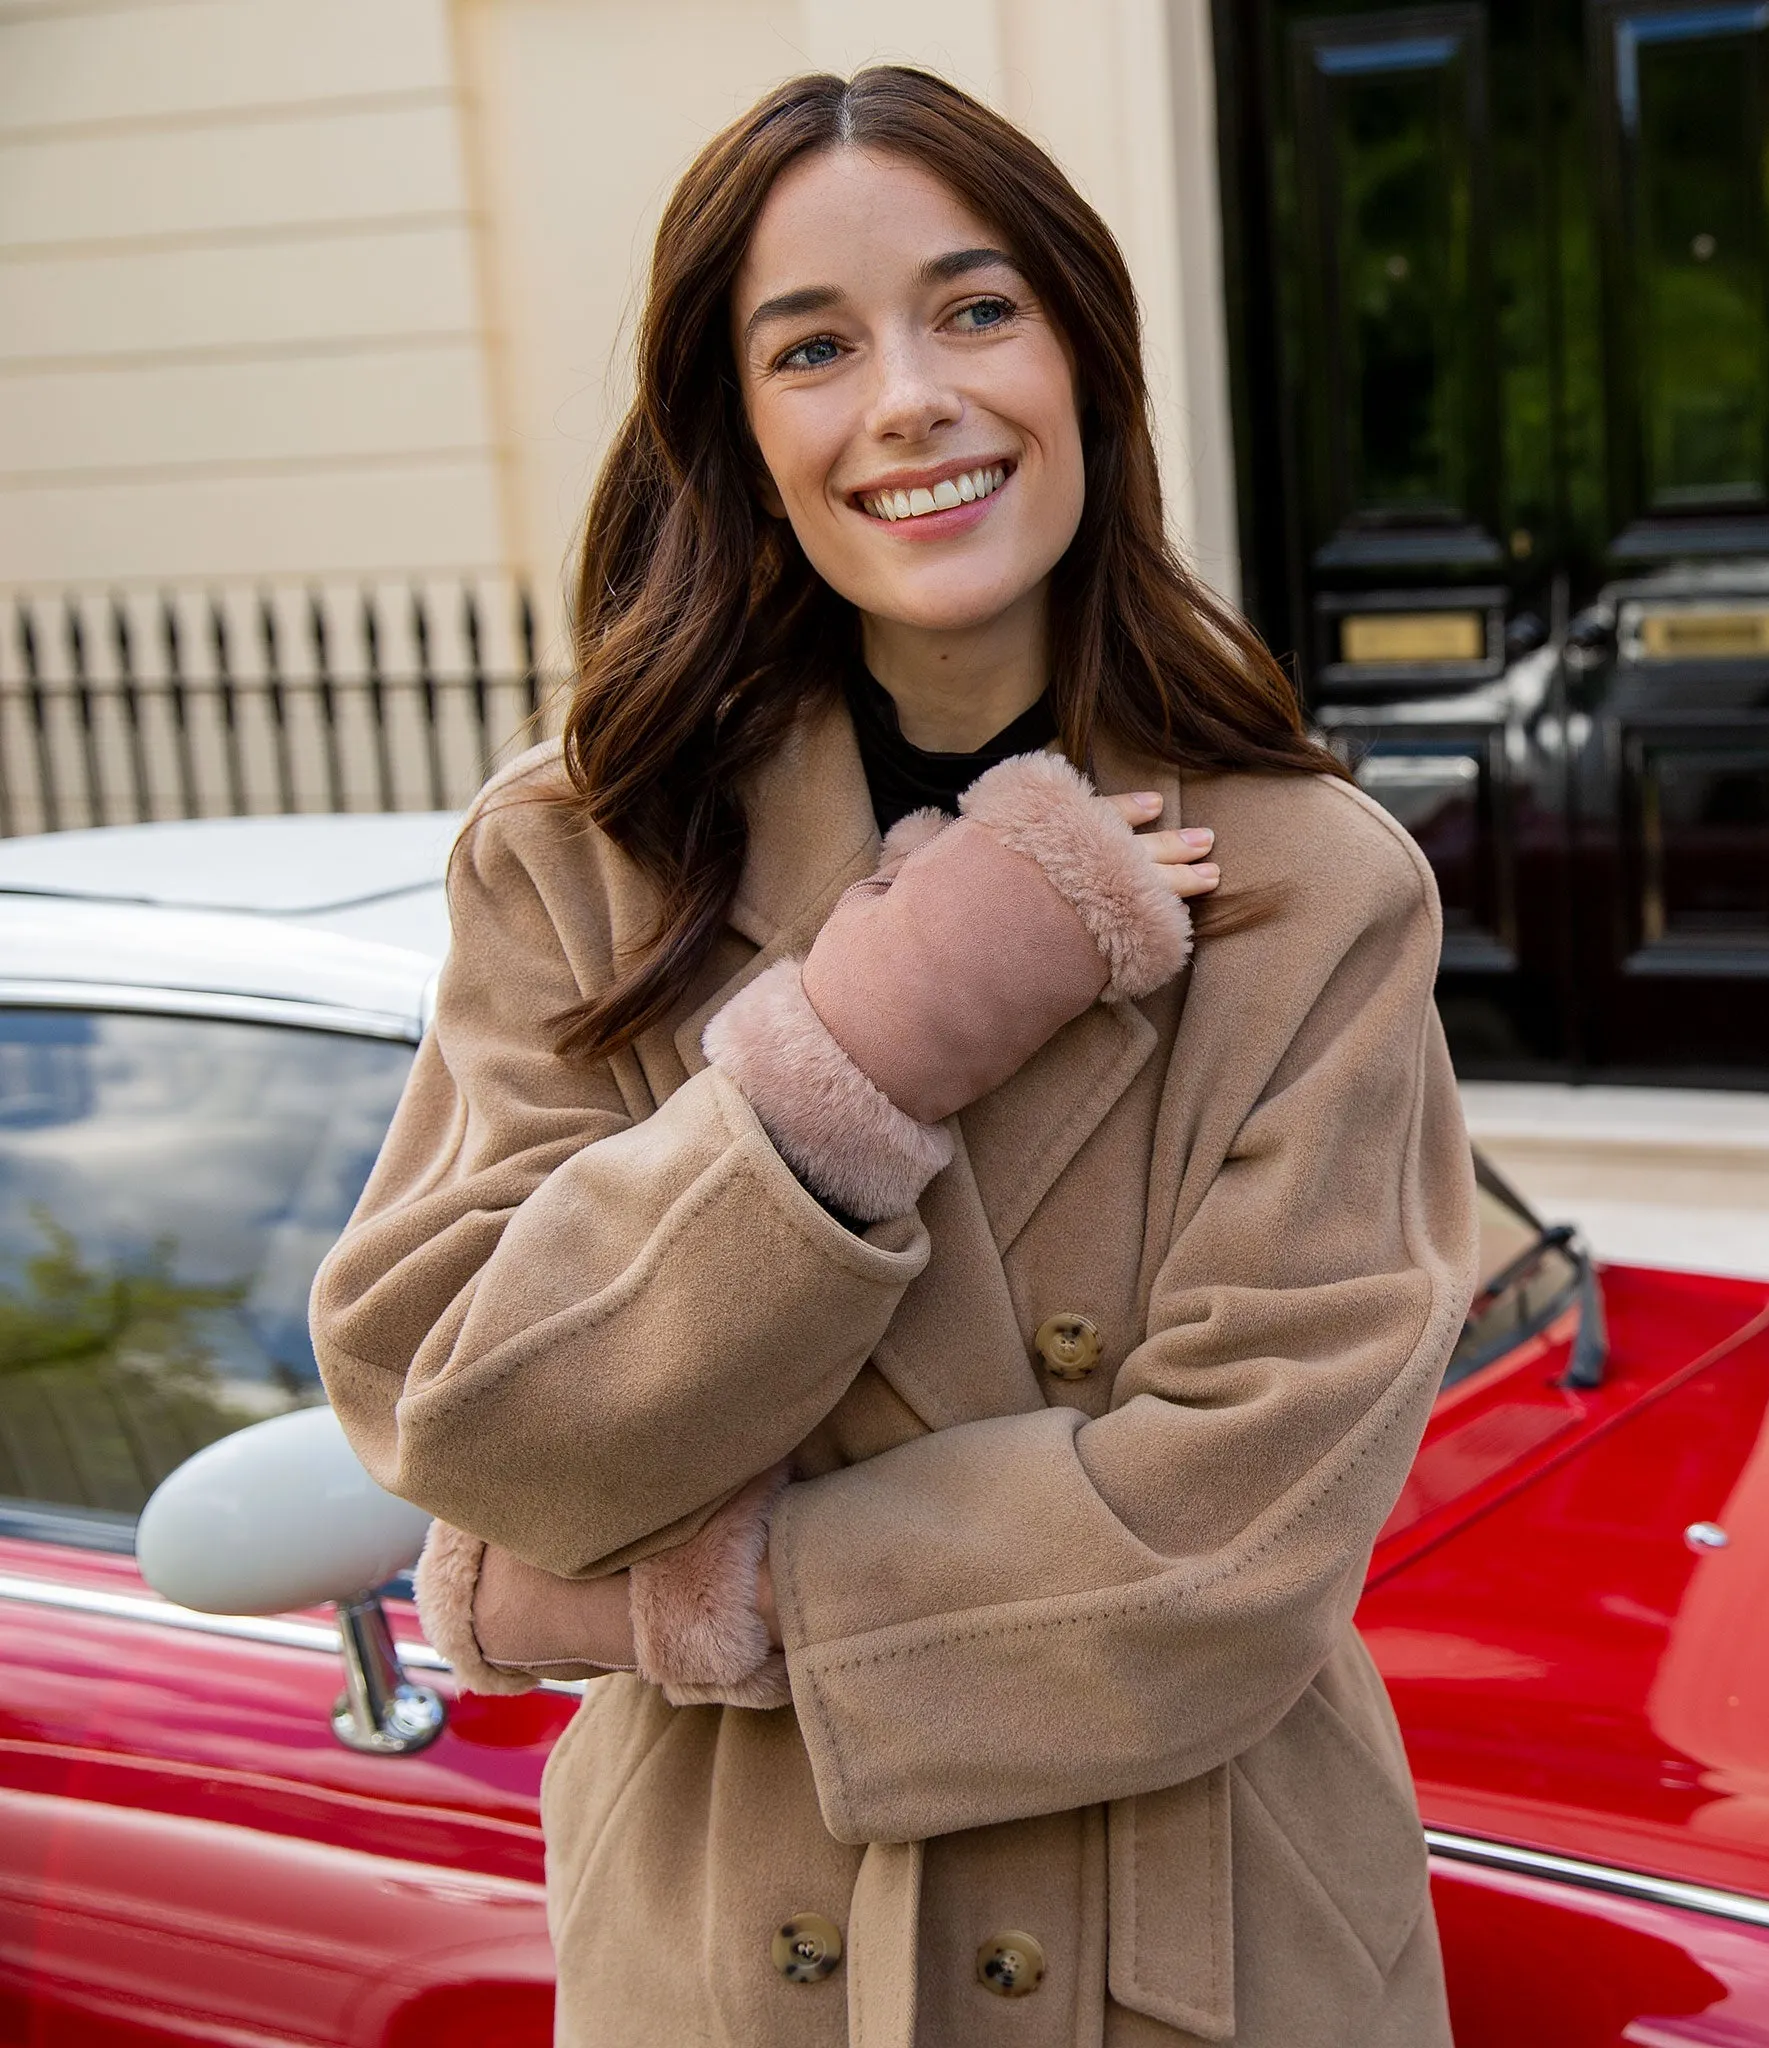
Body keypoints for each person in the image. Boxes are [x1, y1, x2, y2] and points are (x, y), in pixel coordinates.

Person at [310, 65, 1475, 2048]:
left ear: (1085, 364)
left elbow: (1235, 1534)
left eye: (972, 307)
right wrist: (868, 1038)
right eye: (814, 347)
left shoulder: (1309, 888)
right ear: (741, 435)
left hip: (1187, 1947)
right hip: (728, 1945)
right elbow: (472, 1412)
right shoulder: (580, 860)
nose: (910, 399)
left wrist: (708, 1585)